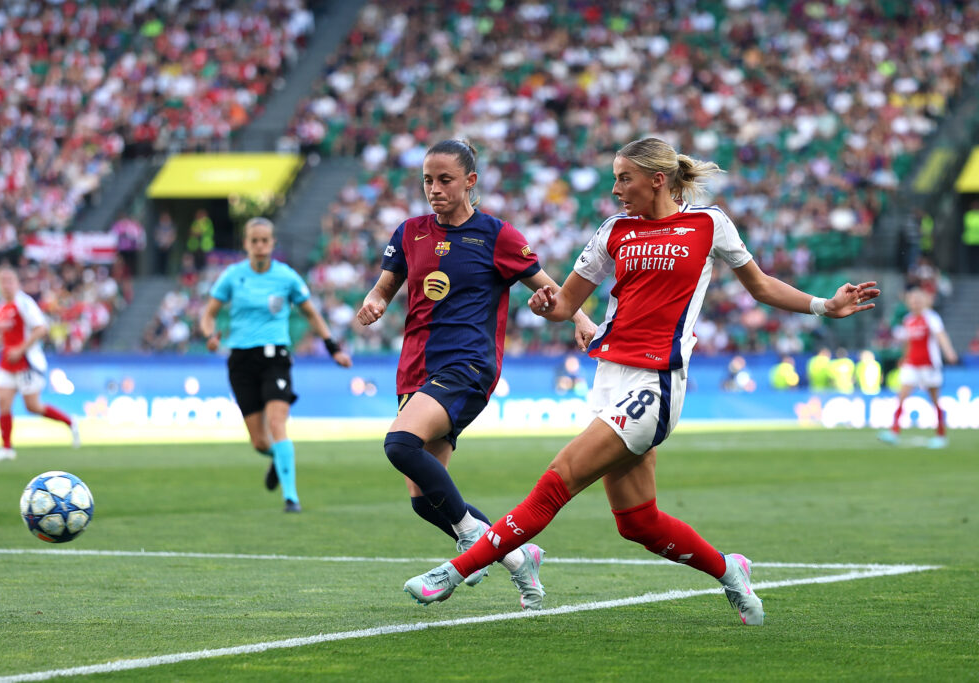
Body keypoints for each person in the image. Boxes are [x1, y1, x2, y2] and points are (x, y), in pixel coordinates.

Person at [403, 137, 880, 625]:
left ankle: (454, 571)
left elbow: (761, 286)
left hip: (656, 382)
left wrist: (825, 305)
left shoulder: (708, 224)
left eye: (623, 178)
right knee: (638, 523)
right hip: (609, 377)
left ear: (658, 180)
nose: (615, 189)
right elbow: (565, 304)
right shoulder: (613, 231)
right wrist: (547, 307)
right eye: (613, 178)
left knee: (558, 479)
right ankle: (731, 571)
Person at [356, 139, 597, 611]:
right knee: (425, 499)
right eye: (428, 179)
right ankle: (518, 557)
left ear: (470, 181)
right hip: (416, 371)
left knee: (399, 444)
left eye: (445, 179)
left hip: (467, 365)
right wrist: (375, 302)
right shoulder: (410, 232)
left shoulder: (496, 235)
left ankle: (471, 537)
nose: (434, 189)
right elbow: (386, 285)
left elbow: (549, 287)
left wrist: (581, 319)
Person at [199, 217, 352, 512]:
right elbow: (209, 315)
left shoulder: (286, 277)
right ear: (246, 244)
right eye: (253, 241)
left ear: (272, 243)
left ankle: (291, 497)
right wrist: (210, 336)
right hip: (241, 360)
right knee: (258, 442)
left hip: (275, 359)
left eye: (264, 240)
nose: (259, 246)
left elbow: (311, 314)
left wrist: (333, 348)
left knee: (276, 424)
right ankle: (278, 459)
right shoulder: (232, 276)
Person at [0, 266, 79, 462]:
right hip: (7, 361)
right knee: (3, 401)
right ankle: (7, 448)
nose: (6, 285)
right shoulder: (1, 306)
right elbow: (8, 333)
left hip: (27, 362)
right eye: (3, 281)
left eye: (10, 280)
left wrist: (20, 349)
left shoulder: (24, 303)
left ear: (17, 283)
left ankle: (70, 422)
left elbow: (41, 328)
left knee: (33, 406)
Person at [878, 289, 958, 449]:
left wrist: (949, 352)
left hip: (929, 365)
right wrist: (903, 357)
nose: (915, 303)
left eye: (918, 300)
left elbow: (941, 335)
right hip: (912, 364)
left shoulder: (931, 317)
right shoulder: (908, 319)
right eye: (912, 300)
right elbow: (908, 342)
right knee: (901, 397)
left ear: (924, 301)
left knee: (935, 400)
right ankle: (894, 431)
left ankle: (941, 435)